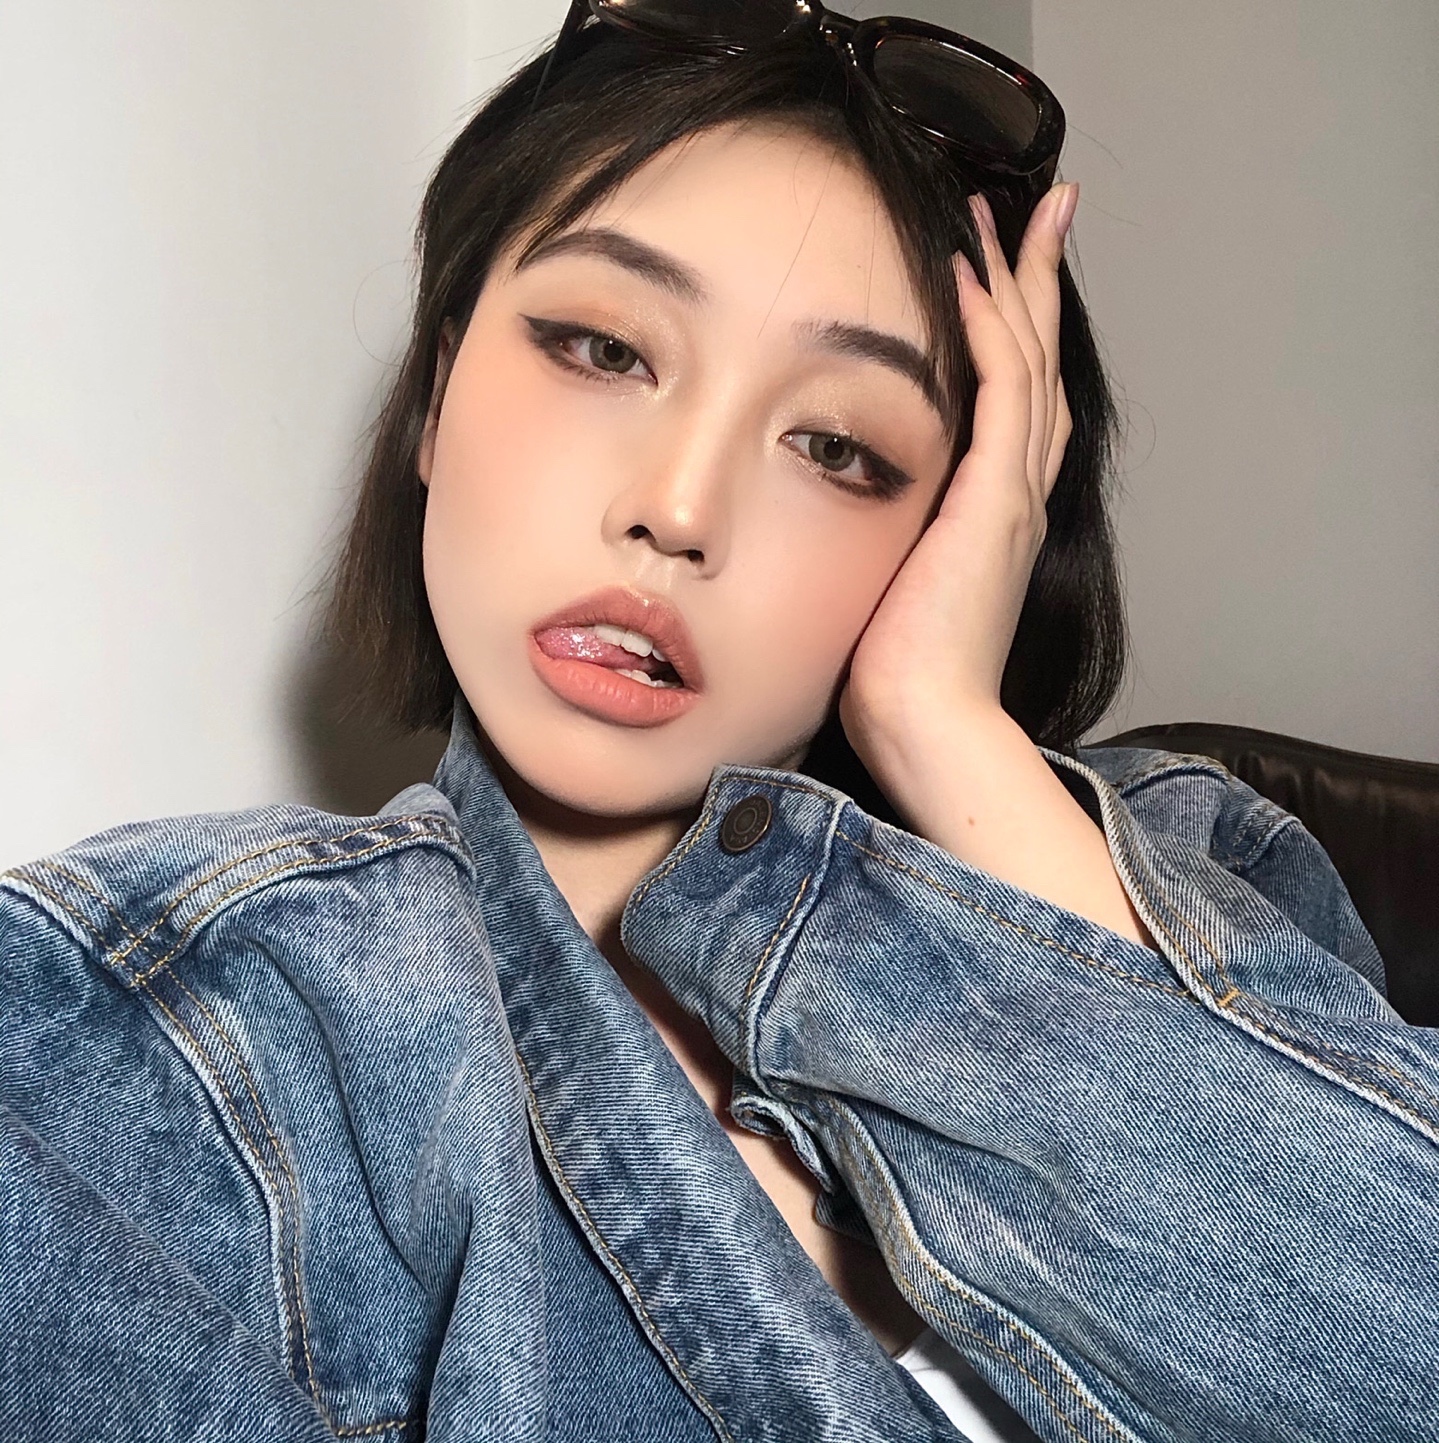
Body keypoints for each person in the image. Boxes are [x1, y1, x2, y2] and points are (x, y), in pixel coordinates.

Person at [2, 5, 1435, 1441]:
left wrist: (943, 724)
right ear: (436, 396)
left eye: (838, 447)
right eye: (602, 348)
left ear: (964, 523)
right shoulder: (168, 1029)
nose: (678, 509)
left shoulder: (1199, 859)